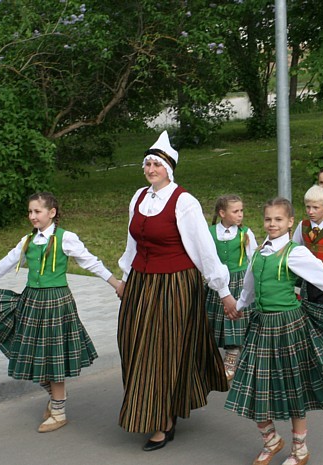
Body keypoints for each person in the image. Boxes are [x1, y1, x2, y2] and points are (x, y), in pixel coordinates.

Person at [224, 197, 323, 465]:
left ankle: (299, 449)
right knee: (253, 384)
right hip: (261, 326)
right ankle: (271, 439)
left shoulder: (295, 253)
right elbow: (249, 287)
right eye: (268, 219)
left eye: (278, 219)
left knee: (294, 388)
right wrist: (240, 305)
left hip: (289, 326)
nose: (272, 224)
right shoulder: (258, 253)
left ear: (290, 222)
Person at [116, 131, 235, 451]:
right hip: (142, 284)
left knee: (163, 352)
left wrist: (222, 290)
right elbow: (133, 242)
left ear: (169, 168)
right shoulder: (138, 197)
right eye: (148, 163)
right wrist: (125, 276)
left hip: (175, 285)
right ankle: (153, 406)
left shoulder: (184, 202)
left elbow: (204, 249)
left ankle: (164, 419)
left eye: (157, 163)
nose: (151, 168)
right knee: (132, 343)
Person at [0, 192, 121, 433]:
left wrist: (116, 283)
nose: (32, 216)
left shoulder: (65, 238)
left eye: (37, 211)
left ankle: (59, 411)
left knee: (53, 356)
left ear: (52, 213)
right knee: (29, 353)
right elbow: (8, 260)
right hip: (31, 302)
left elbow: (90, 261)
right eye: (30, 212)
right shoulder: (28, 240)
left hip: (56, 303)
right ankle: (55, 396)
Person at [206, 194, 258, 381]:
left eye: (241, 210)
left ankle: (232, 355)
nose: (240, 215)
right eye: (235, 211)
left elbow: (254, 259)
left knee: (235, 319)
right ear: (222, 213)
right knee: (215, 319)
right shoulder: (209, 233)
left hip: (239, 281)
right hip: (218, 282)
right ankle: (213, 356)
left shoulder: (245, 233)